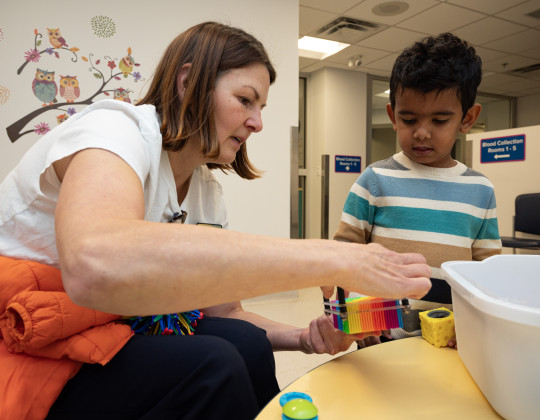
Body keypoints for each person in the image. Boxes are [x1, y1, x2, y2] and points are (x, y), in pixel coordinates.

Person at [0, 21, 432, 419]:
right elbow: (93, 264)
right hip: (32, 341)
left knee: (244, 344)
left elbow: (225, 312)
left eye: (260, 106)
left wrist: (304, 337)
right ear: (189, 83)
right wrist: (331, 258)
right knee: (215, 366)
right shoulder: (115, 131)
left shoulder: (206, 190)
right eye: (245, 100)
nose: (258, 123)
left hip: (105, 332)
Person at [334, 32, 502, 349]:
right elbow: (344, 255)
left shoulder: (481, 190)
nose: (422, 133)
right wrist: (354, 318)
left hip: (451, 336)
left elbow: (488, 273)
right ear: (392, 116)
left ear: (468, 118)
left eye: (439, 120)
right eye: (408, 119)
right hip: (380, 332)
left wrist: (477, 326)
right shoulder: (375, 179)